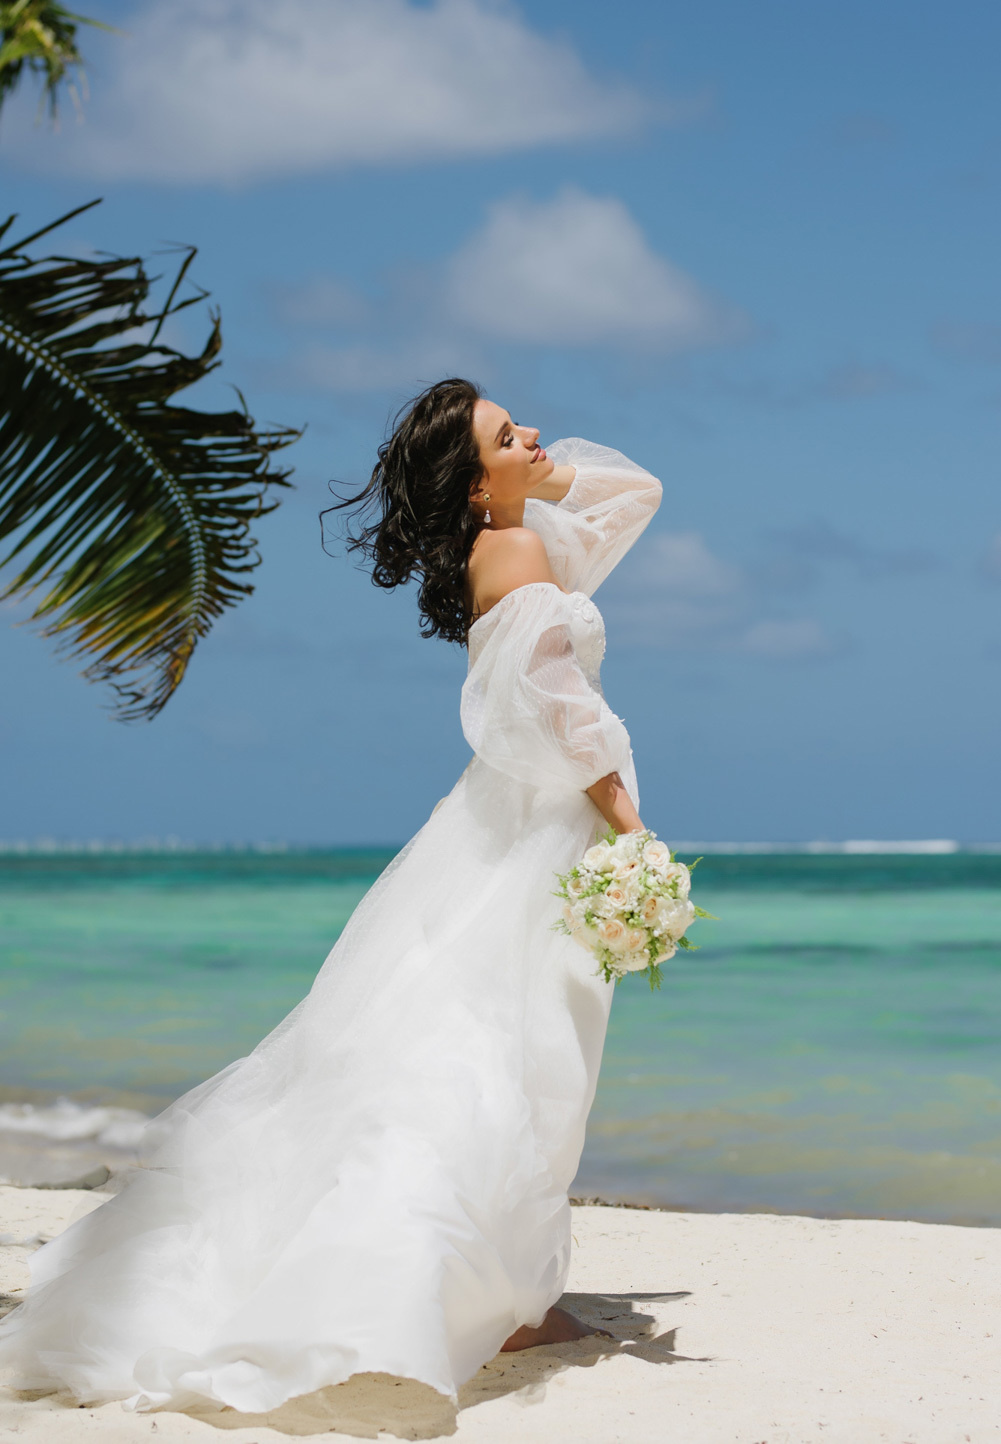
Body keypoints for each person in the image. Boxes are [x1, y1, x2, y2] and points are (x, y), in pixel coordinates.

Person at [0, 378, 662, 1413]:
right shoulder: (519, 551)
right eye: (508, 434)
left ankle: (510, 1293)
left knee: (483, 1045)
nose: (534, 433)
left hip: (501, 823)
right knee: (523, 1056)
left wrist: (522, 473)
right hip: (539, 830)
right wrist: (630, 829)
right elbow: (559, 708)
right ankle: (507, 1304)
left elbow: (632, 494)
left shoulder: (511, 541)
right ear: (471, 481)